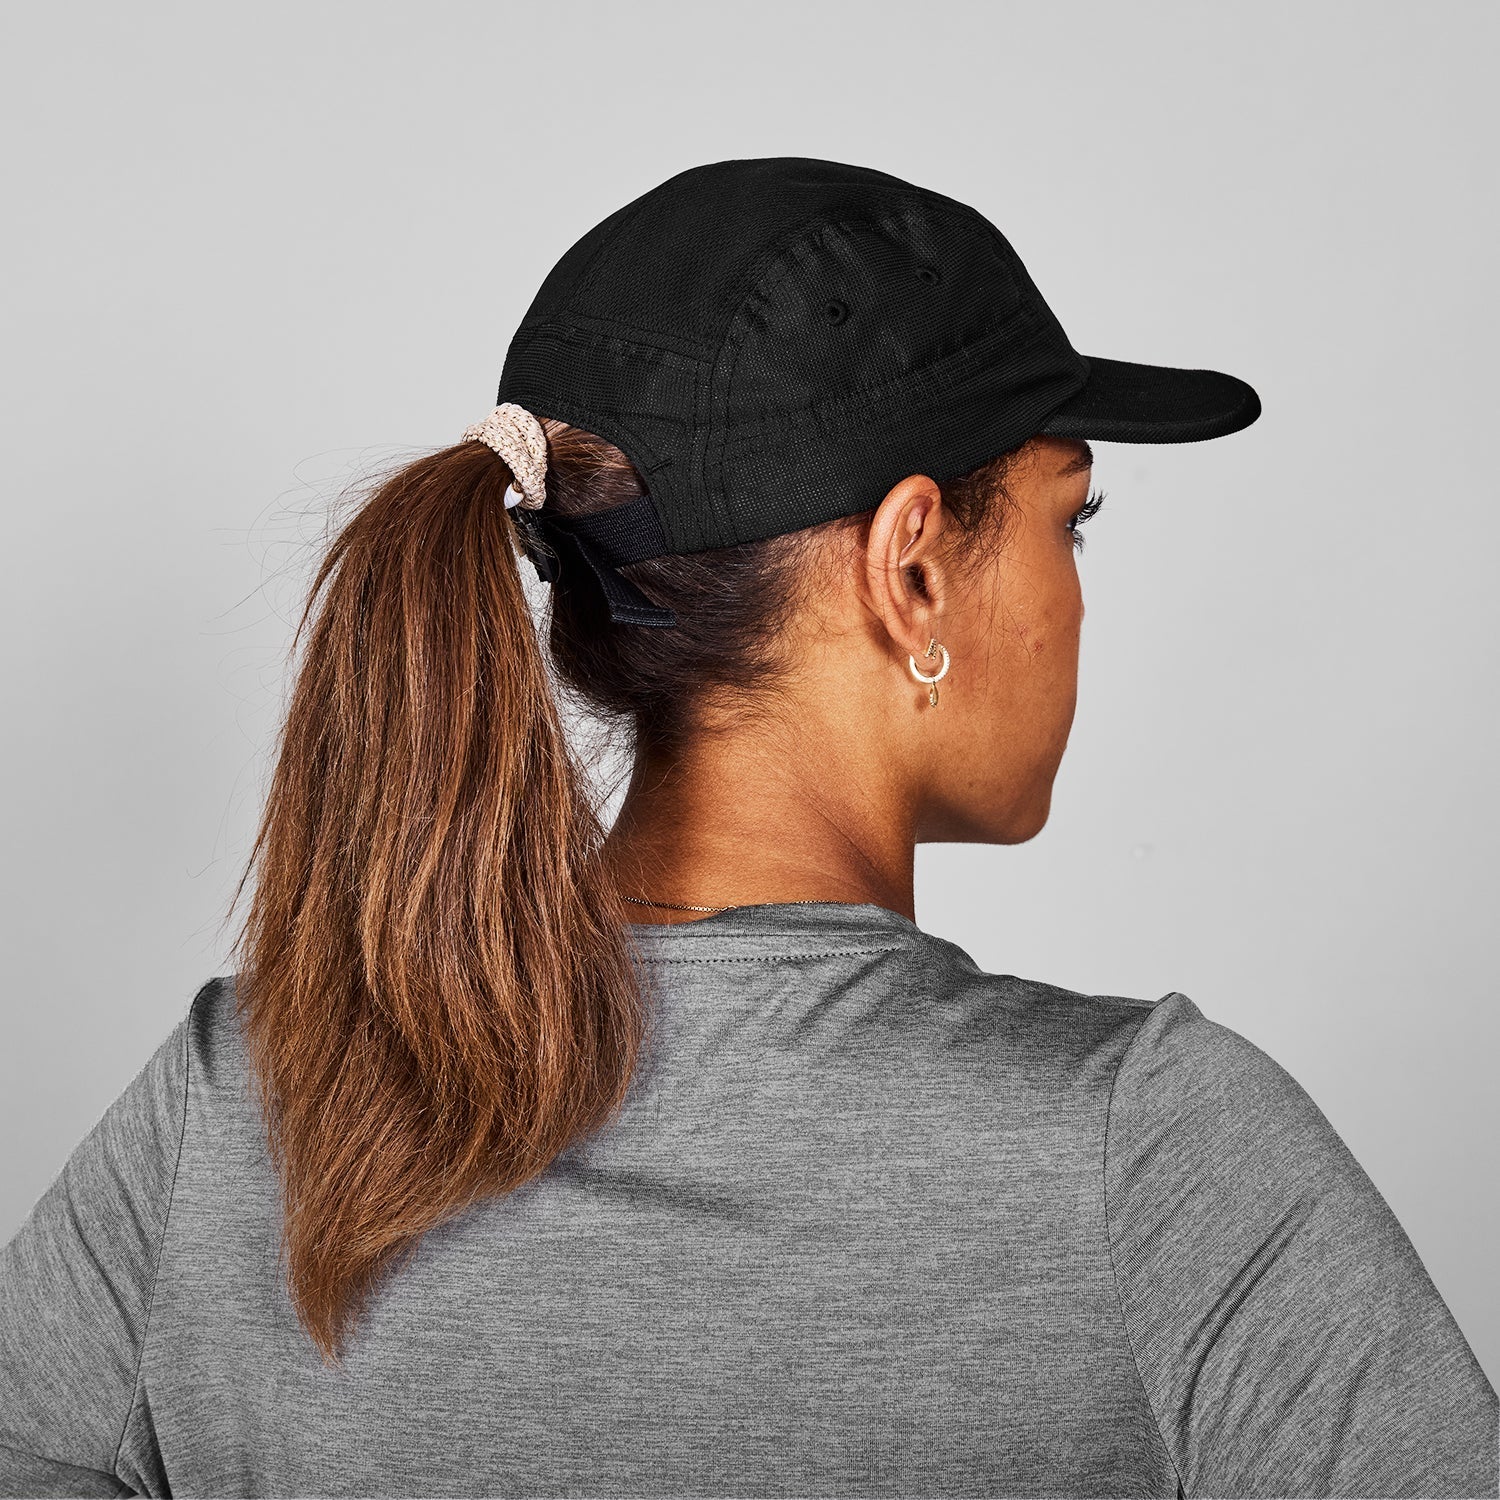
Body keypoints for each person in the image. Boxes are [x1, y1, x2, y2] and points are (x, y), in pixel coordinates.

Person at [0, 156, 1493, 1499]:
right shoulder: (1145, 1154)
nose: (1075, 595)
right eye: (1071, 521)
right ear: (913, 566)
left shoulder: (241, 1105)